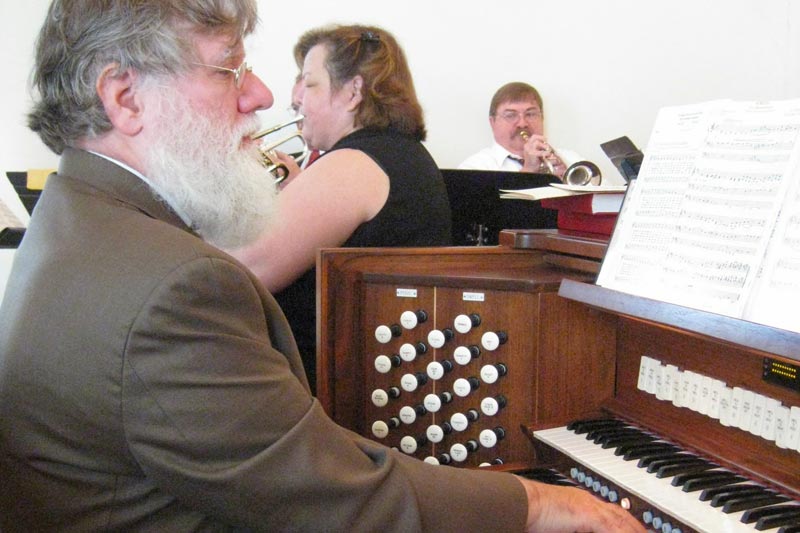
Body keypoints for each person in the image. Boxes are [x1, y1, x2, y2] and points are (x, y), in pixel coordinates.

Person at [0, 1, 645, 531]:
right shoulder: (173, 288)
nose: (258, 96)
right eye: (230, 69)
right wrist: (538, 503)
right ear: (125, 98)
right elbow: (341, 504)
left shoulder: (73, 220)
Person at [232, 25, 453, 394]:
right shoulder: (396, 154)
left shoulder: (354, 163)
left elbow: (239, 270)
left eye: (309, 83)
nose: (295, 97)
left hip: (330, 394)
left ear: (353, 91)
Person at [458, 82, 581, 179]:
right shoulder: (474, 168)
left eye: (531, 114)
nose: (522, 123)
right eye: (511, 115)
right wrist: (528, 172)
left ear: (542, 118)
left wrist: (568, 184)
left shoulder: (571, 159)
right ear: (492, 122)